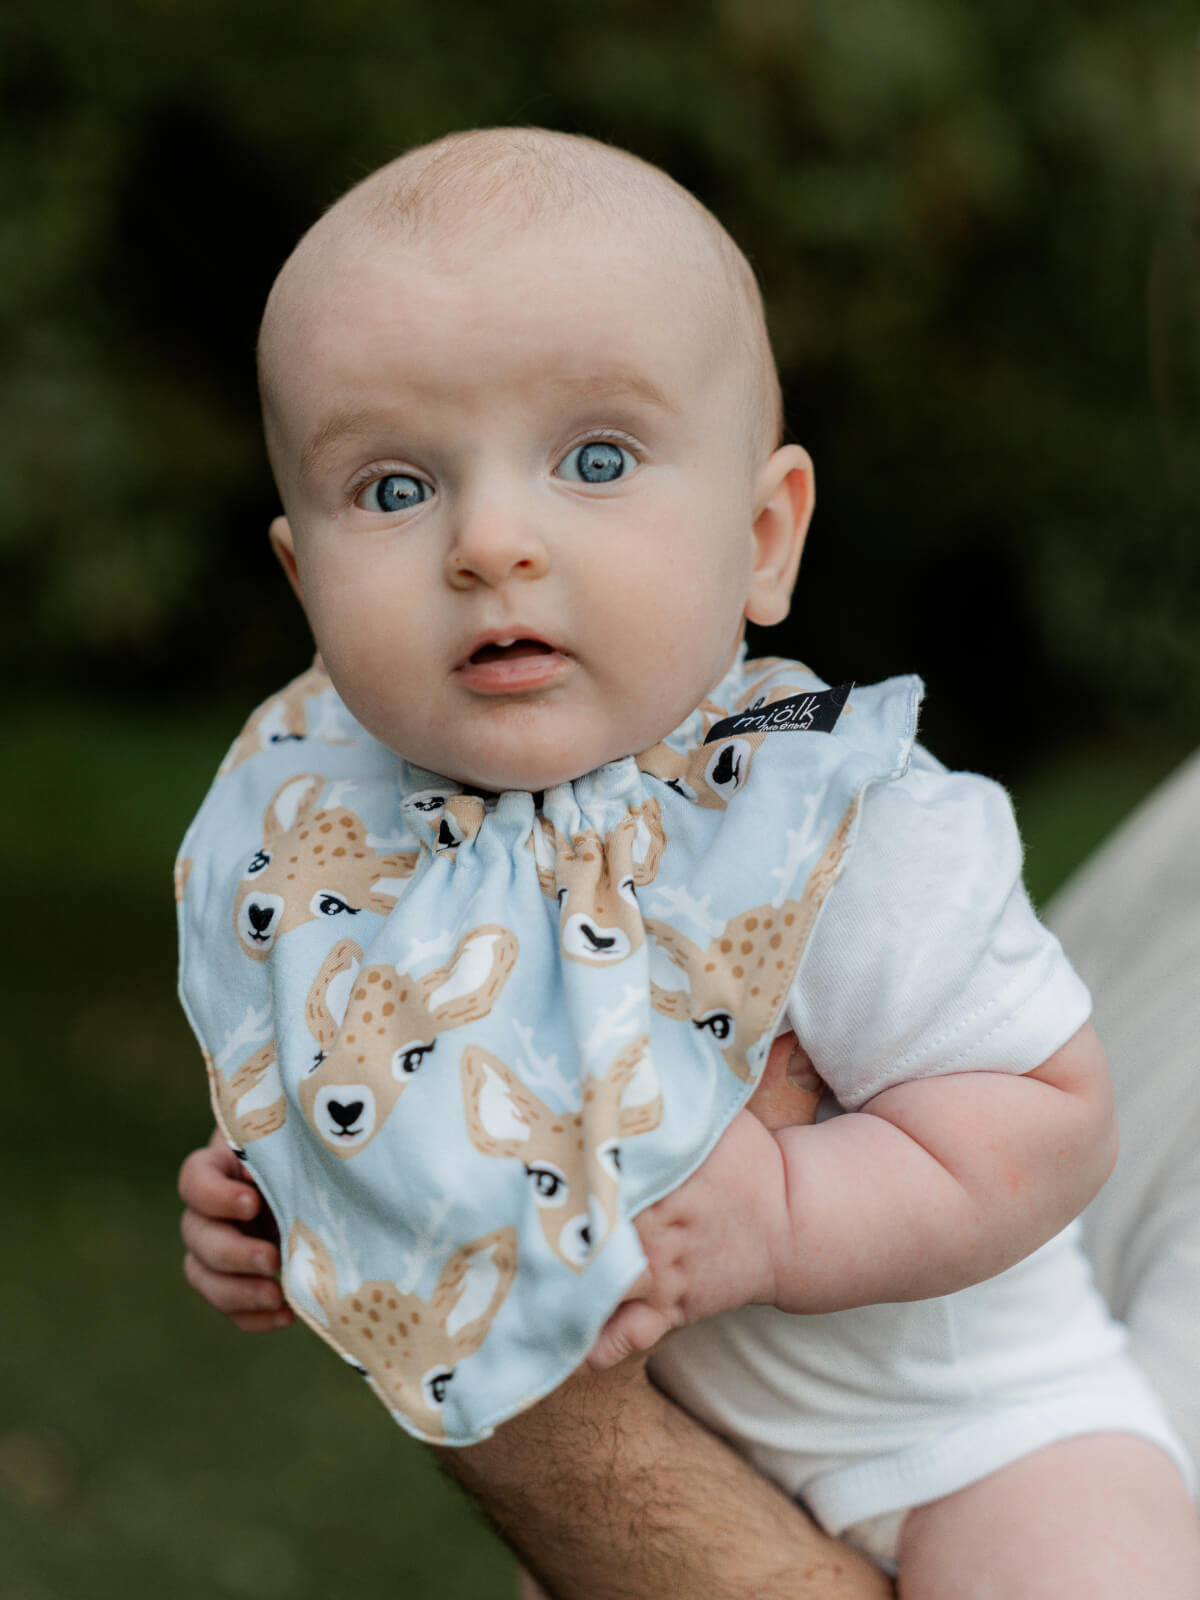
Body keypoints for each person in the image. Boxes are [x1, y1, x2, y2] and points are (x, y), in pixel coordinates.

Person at [173, 127, 1199, 1595]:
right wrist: (276, 1198)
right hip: (682, 1454)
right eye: (394, 489)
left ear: (764, 535)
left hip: (978, 1446)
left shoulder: (830, 822)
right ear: (302, 579)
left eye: (595, 459)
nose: (490, 541)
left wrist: (780, 1211)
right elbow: (389, 1079)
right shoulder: (352, 842)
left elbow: (1050, 1116)